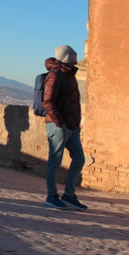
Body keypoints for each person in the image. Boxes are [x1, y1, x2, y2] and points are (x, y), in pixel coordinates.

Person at [42, 45, 87, 211]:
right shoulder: (55, 75)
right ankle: (51, 196)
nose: (77, 56)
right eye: (73, 54)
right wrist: (59, 122)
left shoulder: (69, 75)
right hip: (59, 126)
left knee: (79, 158)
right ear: (67, 57)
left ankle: (69, 195)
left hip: (72, 126)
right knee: (55, 161)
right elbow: (47, 101)